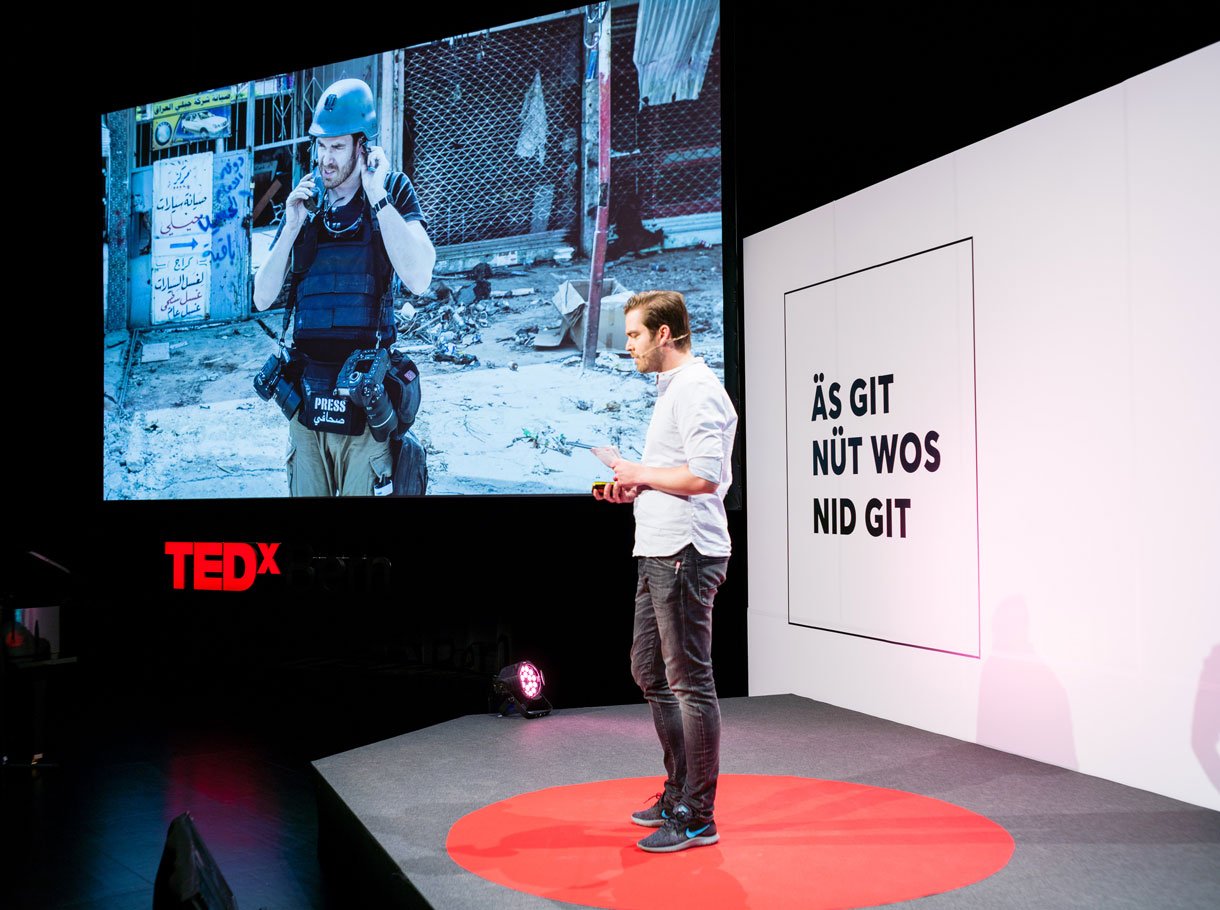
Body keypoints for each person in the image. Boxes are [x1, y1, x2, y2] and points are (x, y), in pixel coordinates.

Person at [593, 289, 738, 852]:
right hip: (657, 548)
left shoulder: (698, 390)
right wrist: (632, 485)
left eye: (633, 335)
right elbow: (672, 473)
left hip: (685, 554)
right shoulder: (674, 389)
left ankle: (698, 815)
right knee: (649, 671)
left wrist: (641, 472)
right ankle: (679, 791)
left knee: (689, 684)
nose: (626, 345)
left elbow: (705, 477)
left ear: (663, 334)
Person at [253, 78, 435, 496]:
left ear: (361, 146)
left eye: (336, 147)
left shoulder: (392, 191)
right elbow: (262, 296)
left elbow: (420, 277)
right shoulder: (304, 199)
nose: (325, 159)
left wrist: (378, 197)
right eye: (320, 146)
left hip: (363, 409)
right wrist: (291, 224)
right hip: (306, 407)